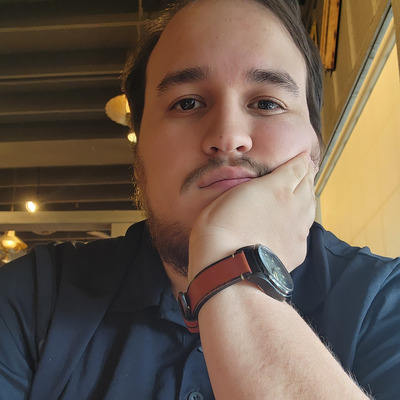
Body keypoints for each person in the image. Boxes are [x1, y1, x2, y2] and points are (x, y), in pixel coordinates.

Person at [0, 0, 399, 399]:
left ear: (315, 146)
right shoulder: (30, 301)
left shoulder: (384, 302)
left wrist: (230, 270)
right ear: (138, 150)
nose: (228, 136)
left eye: (267, 103)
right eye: (187, 103)